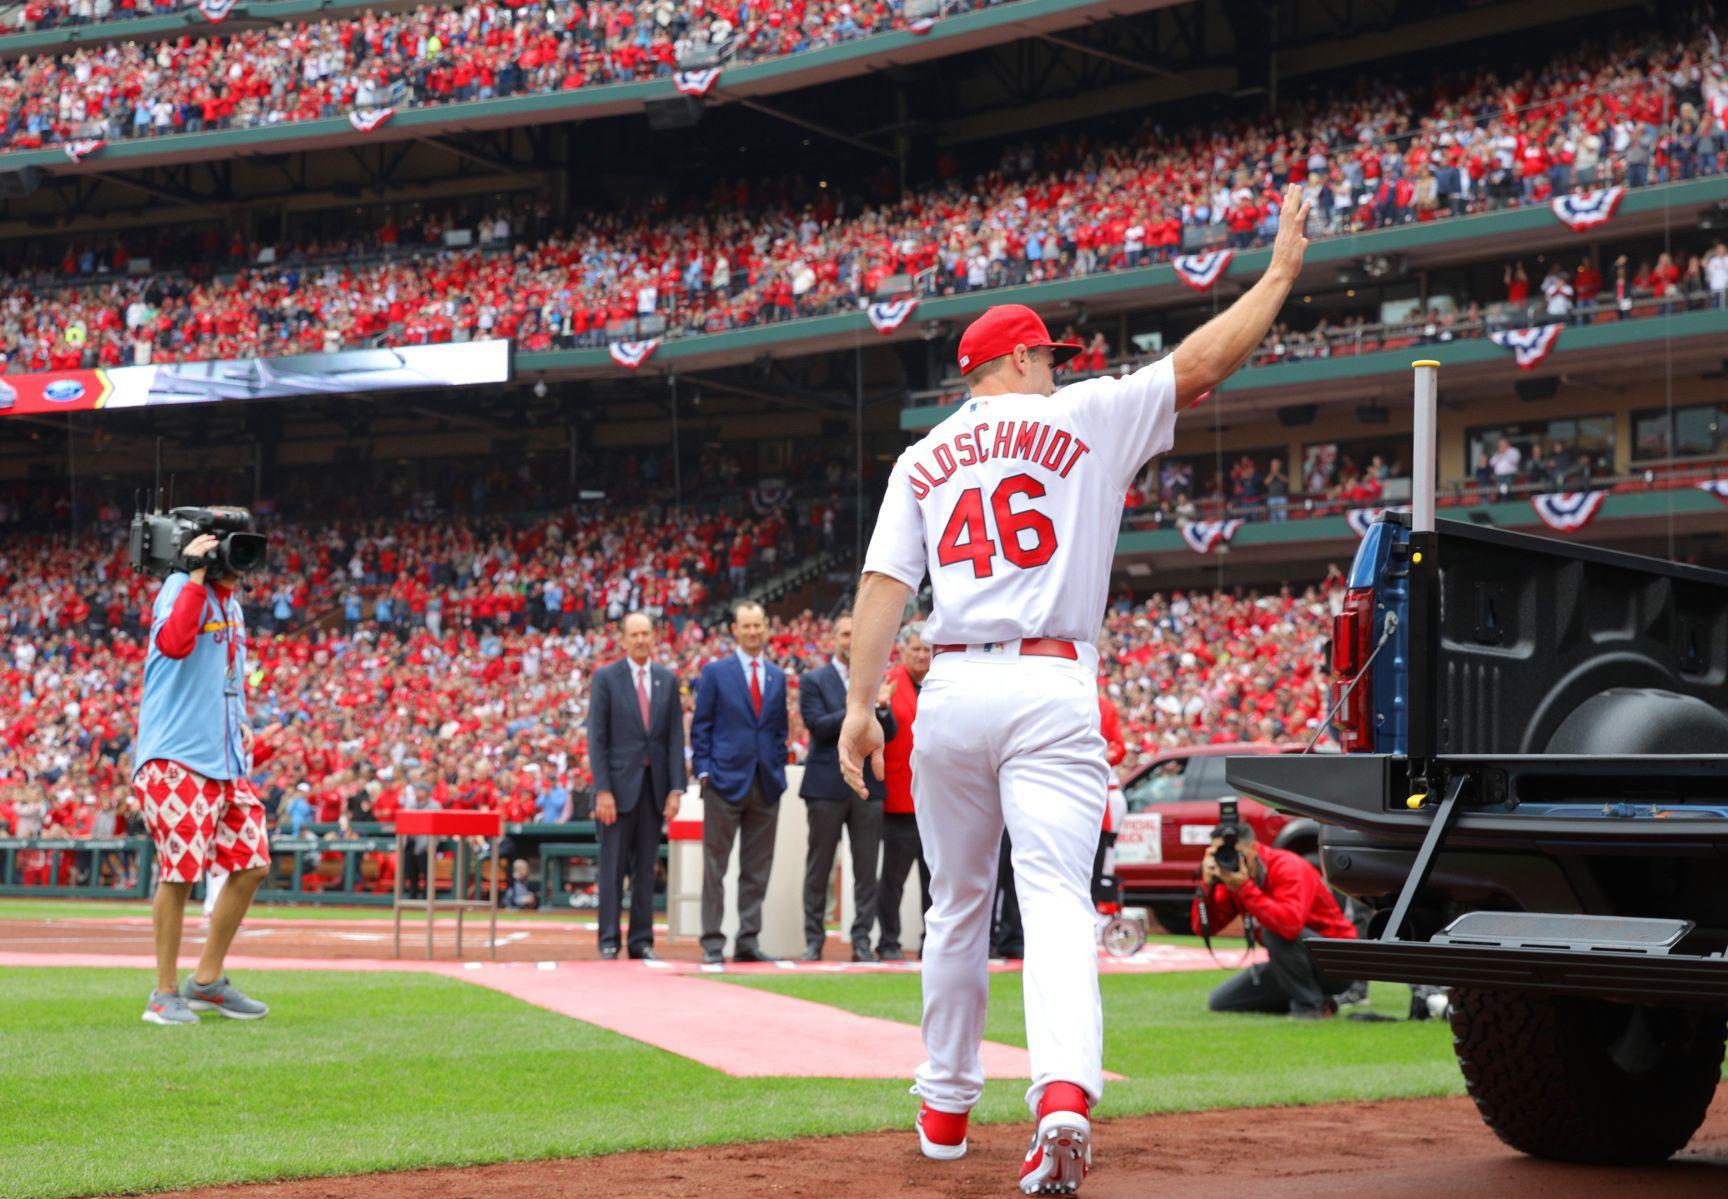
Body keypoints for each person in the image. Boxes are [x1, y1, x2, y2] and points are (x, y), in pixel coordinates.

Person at [837, 183, 1313, 1194]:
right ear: (1015, 360)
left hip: (954, 688)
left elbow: (884, 587)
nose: (1057, 365)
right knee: (1053, 898)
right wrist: (1275, 276)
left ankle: (945, 1106)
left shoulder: (922, 457)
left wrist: (859, 704)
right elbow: (1206, 360)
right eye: (1046, 353)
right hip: (1052, 681)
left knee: (958, 906)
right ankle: (1060, 1097)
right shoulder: (1085, 415)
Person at [133, 524, 275, 1026]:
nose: (240, 560)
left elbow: (229, 674)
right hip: (176, 756)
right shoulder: (179, 589)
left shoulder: (231, 604)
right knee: (181, 871)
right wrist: (191, 575)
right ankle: (163, 993)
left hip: (225, 758)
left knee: (253, 861)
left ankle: (208, 981)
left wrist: (242, 725)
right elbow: (173, 644)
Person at [691, 601, 789, 965]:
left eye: (758, 626)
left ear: (766, 628)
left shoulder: (777, 676)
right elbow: (701, 726)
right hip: (722, 783)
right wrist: (705, 772)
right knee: (715, 867)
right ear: (734, 630)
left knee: (756, 869)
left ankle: (748, 940)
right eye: (746, 626)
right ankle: (712, 943)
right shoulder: (715, 673)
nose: (752, 632)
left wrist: (776, 768)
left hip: (765, 783)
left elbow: (779, 730)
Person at [798, 613, 897, 962]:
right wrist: (858, 710)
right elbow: (817, 726)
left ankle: (860, 942)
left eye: (854, 634)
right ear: (834, 639)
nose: (848, 640)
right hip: (825, 786)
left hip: (867, 787)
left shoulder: (875, 682)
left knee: (867, 869)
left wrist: (880, 709)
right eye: (843, 634)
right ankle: (814, 941)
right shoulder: (814, 680)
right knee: (819, 868)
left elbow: (891, 732)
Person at [586, 611, 685, 960]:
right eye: (635, 634)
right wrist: (602, 790)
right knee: (612, 868)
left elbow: (674, 738)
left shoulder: (666, 680)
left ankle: (642, 941)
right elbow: (596, 738)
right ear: (624, 639)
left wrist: (676, 789)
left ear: (653, 637)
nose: (641, 639)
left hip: (653, 789)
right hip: (615, 790)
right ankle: (609, 939)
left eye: (646, 633)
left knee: (646, 869)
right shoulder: (606, 678)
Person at [1191, 821, 1359, 1019]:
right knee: (1222, 1001)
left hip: (1337, 963)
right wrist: (1207, 888)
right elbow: (1204, 929)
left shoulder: (1287, 867)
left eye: (1235, 853)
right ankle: (1319, 999)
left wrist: (1244, 887)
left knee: (1273, 928)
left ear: (1253, 848)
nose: (1229, 859)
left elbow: (1288, 925)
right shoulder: (1232, 877)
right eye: (1220, 853)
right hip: (1294, 962)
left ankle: (1310, 1006)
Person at [876, 622, 933, 962]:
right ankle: (889, 941)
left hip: (938, 803)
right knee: (893, 879)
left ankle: (933, 942)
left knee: (935, 881)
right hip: (899, 798)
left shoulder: (943, 681)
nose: (923, 655)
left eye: (927, 649)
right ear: (902, 651)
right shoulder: (889, 683)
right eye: (916, 649)